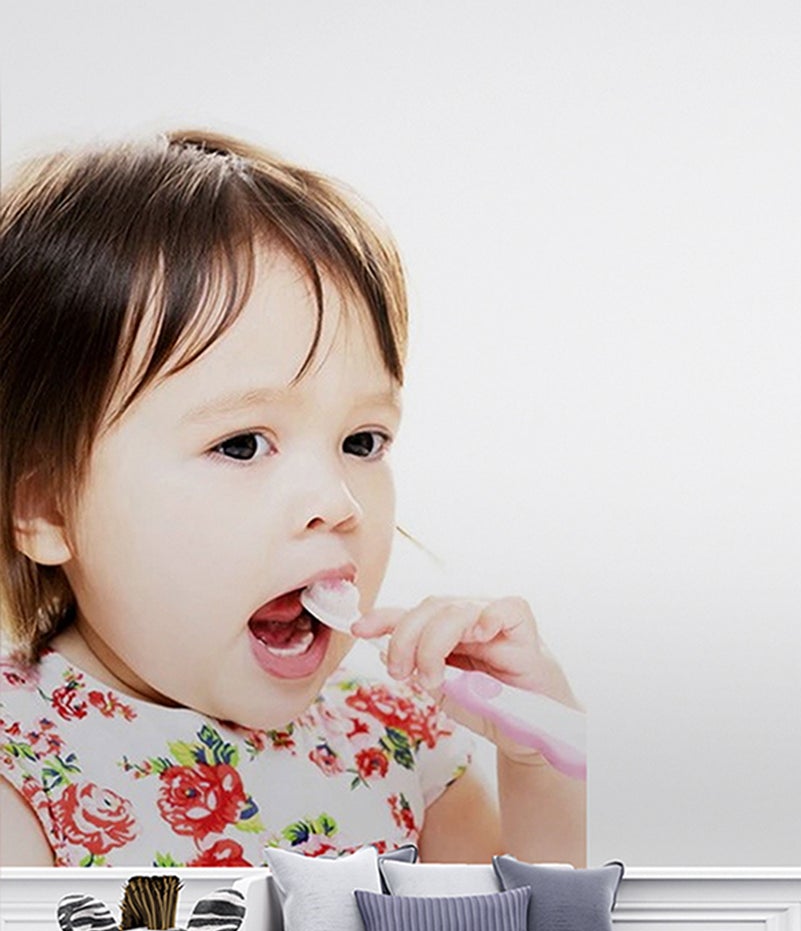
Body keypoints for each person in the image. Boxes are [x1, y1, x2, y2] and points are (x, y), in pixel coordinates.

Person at [0, 130, 584, 868]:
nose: (338, 503)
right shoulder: (21, 761)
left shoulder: (398, 742)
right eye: (242, 444)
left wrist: (542, 757)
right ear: (48, 508)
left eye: (363, 441)